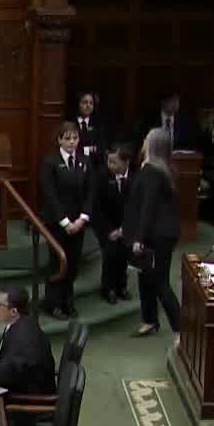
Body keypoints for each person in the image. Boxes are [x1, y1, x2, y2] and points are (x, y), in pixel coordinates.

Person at [125, 128, 182, 341]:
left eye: (146, 139)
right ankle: (149, 320)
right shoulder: (163, 169)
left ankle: (180, 328)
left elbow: (148, 207)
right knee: (145, 275)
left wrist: (139, 237)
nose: (143, 142)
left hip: (158, 235)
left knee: (159, 280)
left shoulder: (152, 172)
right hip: (160, 232)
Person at [39, 121, 91, 319]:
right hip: (57, 223)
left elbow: (90, 192)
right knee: (57, 262)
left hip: (79, 222)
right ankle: (53, 304)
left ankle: (68, 301)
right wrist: (65, 221)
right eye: (67, 138)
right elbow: (49, 193)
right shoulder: (50, 162)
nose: (72, 142)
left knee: (74, 262)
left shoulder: (85, 161)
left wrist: (82, 218)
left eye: (75, 138)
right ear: (59, 140)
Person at [91, 144, 133, 304]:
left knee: (123, 255)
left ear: (125, 163)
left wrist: (124, 228)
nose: (110, 165)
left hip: (126, 225)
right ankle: (108, 288)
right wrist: (110, 230)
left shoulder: (135, 177)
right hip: (106, 225)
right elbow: (97, 207)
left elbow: (135, 205)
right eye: (108, 161)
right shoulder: (102, 176)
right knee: (110, 254)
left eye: (114, 162)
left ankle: (121, 286)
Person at [74, 91, 108, 166]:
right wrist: (89, 149)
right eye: (85, 102)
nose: (88, 105)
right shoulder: (71, 123)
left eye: (91, 103)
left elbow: (101, 149)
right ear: (78, 104)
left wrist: (82, 149)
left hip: (94, 165)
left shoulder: (98, 124)